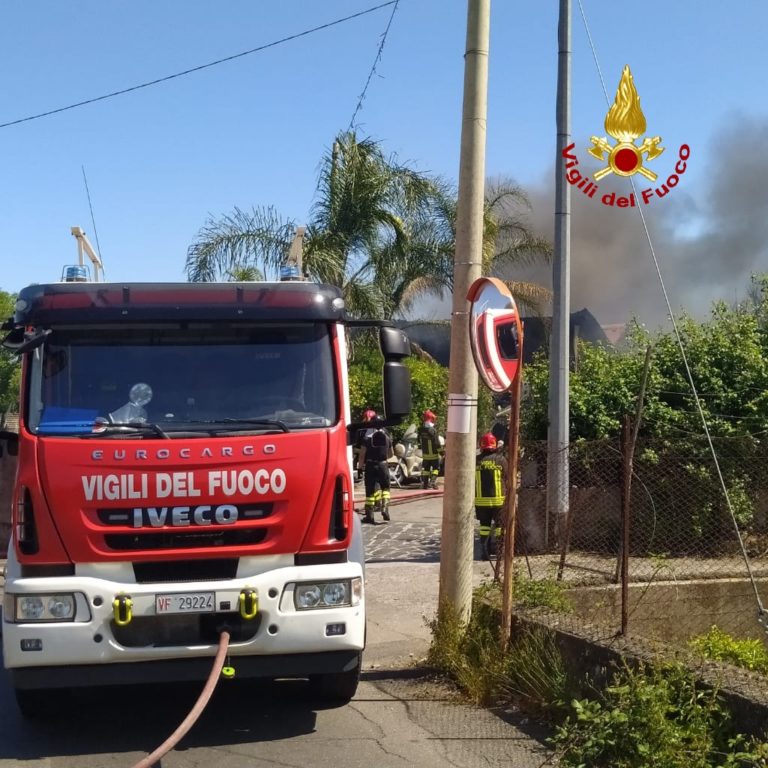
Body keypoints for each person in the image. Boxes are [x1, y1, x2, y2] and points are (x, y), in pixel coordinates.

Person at [474, 432, 508, 560]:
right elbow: (507, 477)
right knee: (499, 526)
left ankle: (485, 552)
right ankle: (500, 552)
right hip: (499, 501)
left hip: (481, 502)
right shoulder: (500, 459)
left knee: (484, 527)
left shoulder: (476, 461)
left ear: (481, 445)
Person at [356, 408, 393, 524]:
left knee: (370, 492)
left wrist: (359, 468)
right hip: (383, 465)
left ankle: (369, 516)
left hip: (370, 465)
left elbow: (362, 455)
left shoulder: (367, 438)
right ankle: (384, 507)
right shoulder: (387, 438)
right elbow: (391, 454)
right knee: (385, 488)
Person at [418, 409, 441, 490]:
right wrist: (441, 452)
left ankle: (425, 484)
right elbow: (437, 443)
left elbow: (419, 441)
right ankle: (432, 482)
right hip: (434, 454)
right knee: (436, 469)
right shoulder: (433, 430)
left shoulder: (421, 430)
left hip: (425, 455)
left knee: (426, 470)